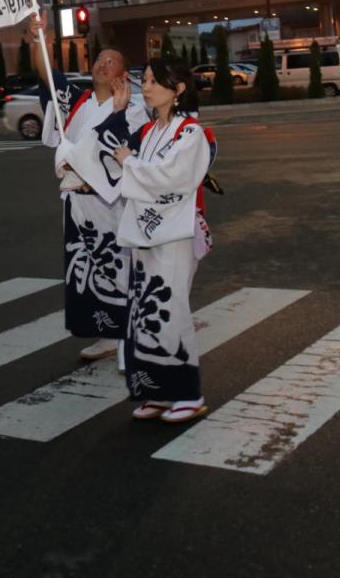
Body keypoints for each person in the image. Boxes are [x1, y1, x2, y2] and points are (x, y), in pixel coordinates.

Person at [29, 13, 149, 369]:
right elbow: (47, 76)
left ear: (122, 75)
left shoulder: (134, 111)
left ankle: (131, 334)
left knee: (117, 267)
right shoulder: (77, 102)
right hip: (75, 201)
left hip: (109, 203)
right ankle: (108, 334)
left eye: (110, 62)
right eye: (98, 59)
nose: (101, 65)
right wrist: (39, 37)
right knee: (87, 271)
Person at [108, 58, 216, 424]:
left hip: (175, 233)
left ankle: (187, 392)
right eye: (146, 80)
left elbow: (174, 177)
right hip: (147, 233)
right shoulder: (151, 130)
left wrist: (130, 165)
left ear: (179, 89)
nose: (147, 87)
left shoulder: (190, 132)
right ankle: (154, 390)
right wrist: (120, 118)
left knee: (171, 310)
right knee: (143, 311)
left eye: (156, 81)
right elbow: (119, 154)